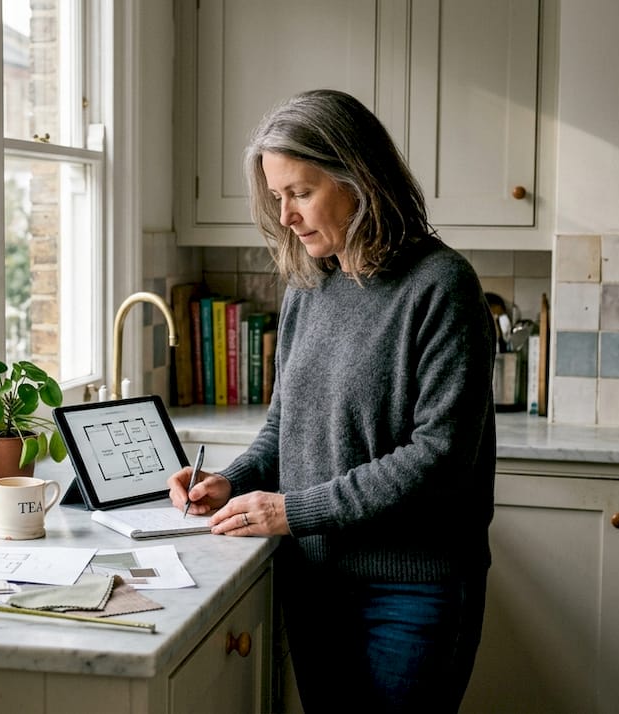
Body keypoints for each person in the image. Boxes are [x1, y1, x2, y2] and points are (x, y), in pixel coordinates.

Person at [167, 89, 496, 712]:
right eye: (276, 197)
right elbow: (284, 427)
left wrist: (295, 511)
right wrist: (230, 483)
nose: (286, 216)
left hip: (411, 593)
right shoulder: (307, 289)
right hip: (316, 580)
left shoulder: (442, 286)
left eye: (301, 192)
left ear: (360, 179)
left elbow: (439, 458)